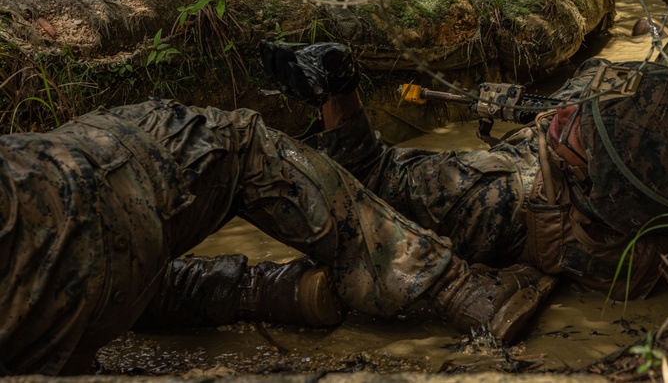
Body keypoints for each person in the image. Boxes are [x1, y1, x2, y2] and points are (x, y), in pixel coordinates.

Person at [261, 0, 668, 307]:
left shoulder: (506, 195)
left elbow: (373, 177)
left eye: (572, 124)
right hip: (661, 144)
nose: (566, 120)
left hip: (619, 158)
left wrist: (337, 94)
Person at [0, 96, 557, 375]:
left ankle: (265, 291)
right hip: (57, 202)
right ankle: (457, 289)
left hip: (35, 316)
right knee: (238, 144)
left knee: (78, 270)